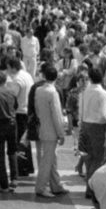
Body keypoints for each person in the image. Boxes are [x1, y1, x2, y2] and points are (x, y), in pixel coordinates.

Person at [33, 64, 68, 198]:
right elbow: (57, 115)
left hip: (42, 127)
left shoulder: (39, 90)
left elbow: (37, 109)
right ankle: (40, 187)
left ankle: (56, 186)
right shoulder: (52, 92)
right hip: (51, 131)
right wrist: (61, 133)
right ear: (56, 77)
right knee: (47, 161)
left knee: (51, 159)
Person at [76, 67, 106, 181]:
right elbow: (103, 116)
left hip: (85, 125)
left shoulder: (83, 92)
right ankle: (92, 188)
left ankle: (89, 186)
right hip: (97, 127)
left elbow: (80, 111)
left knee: (88, 157)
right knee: (98, 159)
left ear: (90, 78)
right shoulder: (103, 94)